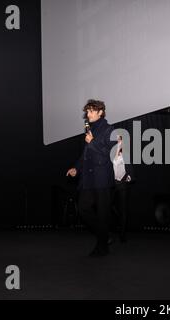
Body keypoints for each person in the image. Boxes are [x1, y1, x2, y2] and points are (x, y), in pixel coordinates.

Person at [66, 99, 116, 257]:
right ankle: (105, 236)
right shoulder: (89, 130)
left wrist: (92, 142)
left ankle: (102, 247)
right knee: (83, 208)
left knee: (102, 214)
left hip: (102, 178)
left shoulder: (109, 130)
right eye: (87, 112)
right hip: (88, 178)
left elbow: (110, 155)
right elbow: (86, 155)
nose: (87, 115)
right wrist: (76, 168)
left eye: (91, 111)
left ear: (101, 112)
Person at [112, 135, 135, 243]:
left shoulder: (125, 154)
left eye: (119, 138)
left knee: (123, 210)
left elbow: (130, 170)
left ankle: (122, 234)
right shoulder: (110, 154)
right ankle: (113, 226)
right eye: (117, 139)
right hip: (111, 184)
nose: (118, 140)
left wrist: (127, 178)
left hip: (121, 184)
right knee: (107, 207)